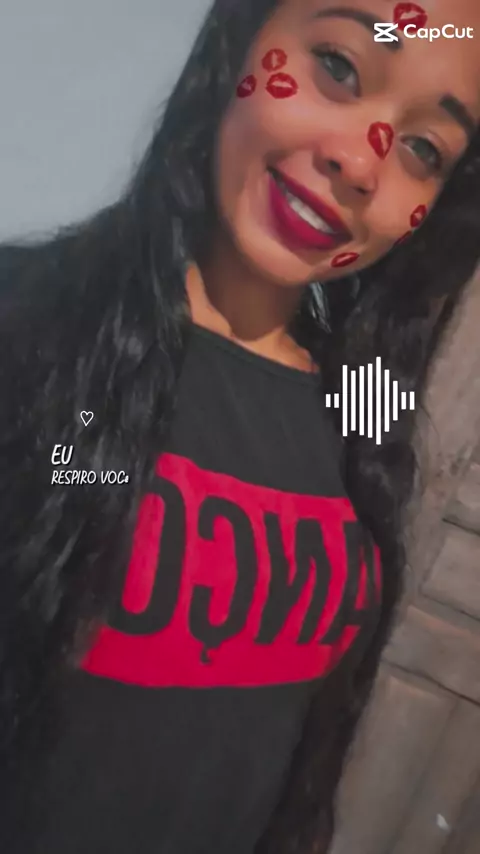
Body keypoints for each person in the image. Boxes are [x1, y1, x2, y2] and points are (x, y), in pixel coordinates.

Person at [1, 0, 480, 851]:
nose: (360, 161)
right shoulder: (27, 325)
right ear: (239, 40)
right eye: (339, 66)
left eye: (422, 149)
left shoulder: (362, 404)